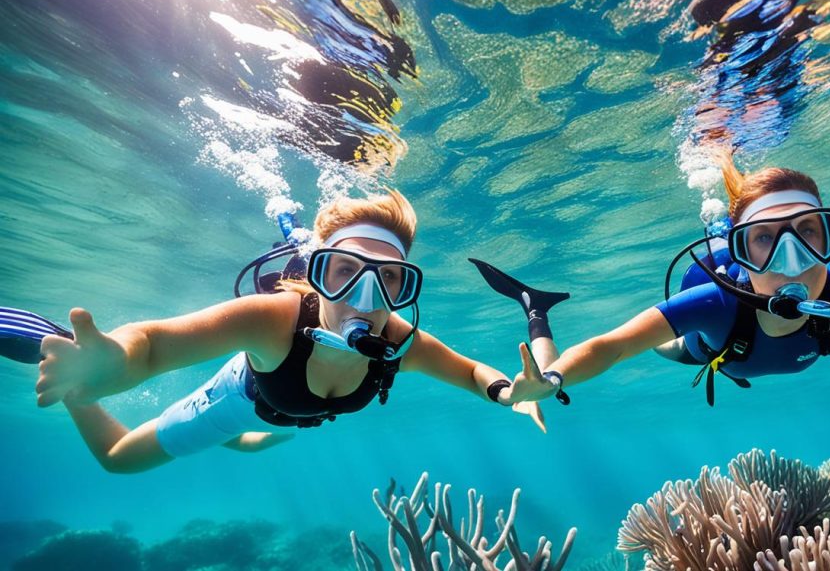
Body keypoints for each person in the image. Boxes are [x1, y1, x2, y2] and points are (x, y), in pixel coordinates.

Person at [29, 189, 539, 473]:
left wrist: (508, 392)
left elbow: (473, 372)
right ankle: (71, 384)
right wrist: (112, 364)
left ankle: (236, 441)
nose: (368, 297)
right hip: (237, 401)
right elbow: (155, 344)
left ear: (405, 285)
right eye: (344, 271)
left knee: (257, 442)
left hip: (287, 415)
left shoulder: (399, 342)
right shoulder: (272, 318)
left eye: (388, 278)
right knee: (120, 461)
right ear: (317, 274)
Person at [503, 153, 830, 406]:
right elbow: (611, 345)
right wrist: (549, 381)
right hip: (702, 346)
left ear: (828, 238)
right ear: (744, 250)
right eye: (764, 240)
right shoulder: (711, 304)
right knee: (651, 348)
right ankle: (536, 310)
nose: (791, 261)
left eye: (808, 235)